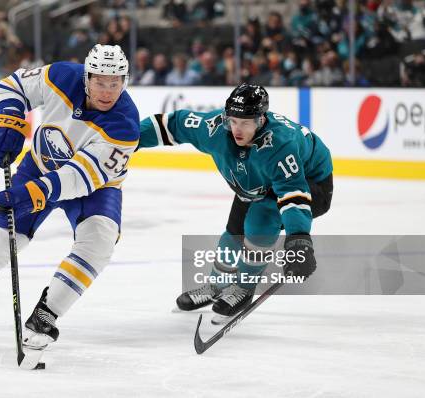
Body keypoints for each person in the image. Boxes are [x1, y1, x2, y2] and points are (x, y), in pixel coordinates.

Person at [0, 44, 139, 353]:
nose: (107, 91)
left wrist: (29, 195)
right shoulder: (62, 75)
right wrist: (9, 117)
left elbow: (78, 178)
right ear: (86, 78)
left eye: (115, 82)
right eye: (100, 81)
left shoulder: (125, 124)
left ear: (125, 81)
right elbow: (13, 85)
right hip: (38, 165)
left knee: (100, 240)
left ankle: (46, 315)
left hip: (95, 187)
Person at [138, 83, 333, 323]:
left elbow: (293, 193)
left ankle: (244, 287)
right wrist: (128, 139)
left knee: (260, 220)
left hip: (310, 183)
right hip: (256, 181)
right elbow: (172, 124)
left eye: (246, 123)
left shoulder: (282, 145)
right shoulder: (214, 128)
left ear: (261, 120)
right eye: (233, 121)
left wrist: (299, 240)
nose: (237, 129)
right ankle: (217, 285)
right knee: (234, 232)